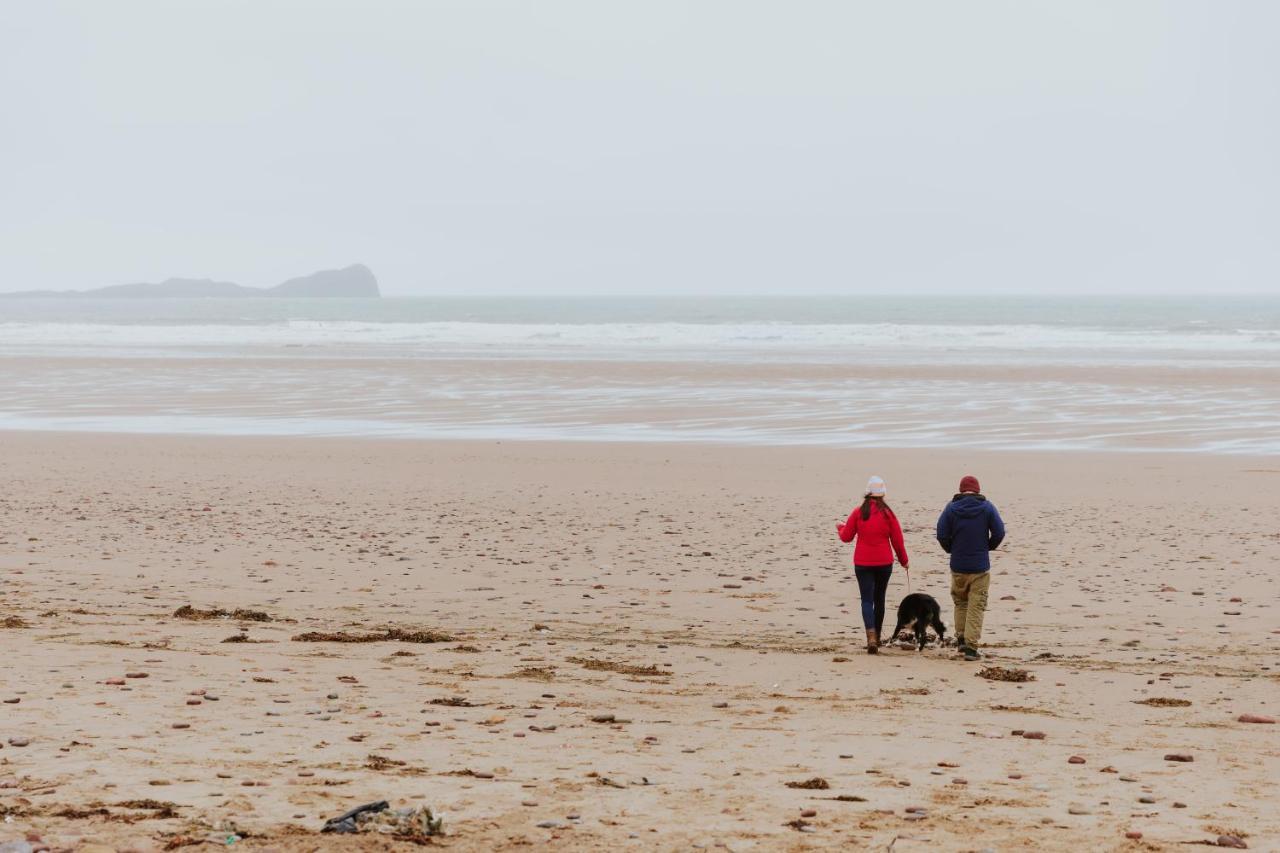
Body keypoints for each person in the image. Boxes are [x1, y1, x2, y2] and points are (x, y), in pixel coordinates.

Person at [836, 475, 909, 654]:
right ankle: (876, 637)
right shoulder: (888, 514)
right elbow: (898, 541)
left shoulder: (858, 512)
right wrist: (904, 560)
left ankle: (871, 637)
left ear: (867, 494)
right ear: (883, 494)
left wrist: (840, 527)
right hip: (884, 563)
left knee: (867, 600)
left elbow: (846, 537)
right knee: (879, 599)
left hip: (863, 563)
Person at [936, 475, 1005, 661]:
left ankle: (961, 639)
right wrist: (988, 546)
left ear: (961, 490)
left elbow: (941, 533)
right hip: (979, 567)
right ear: (977, 491)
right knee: (976, 605)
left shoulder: (951, 508)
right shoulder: (987, 507)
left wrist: (950, 548)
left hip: (958, 565)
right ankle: (971, 648)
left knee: (961, 602)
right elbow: (999, 532)